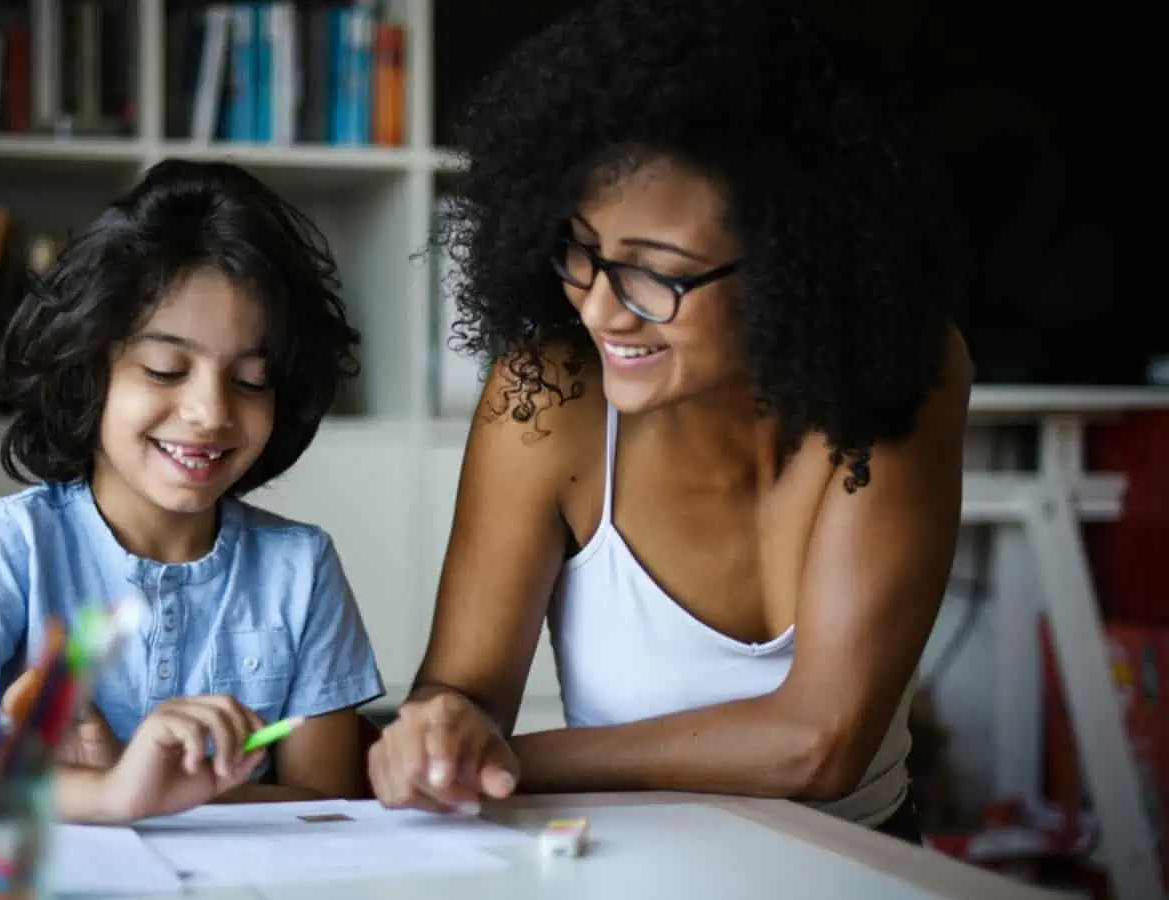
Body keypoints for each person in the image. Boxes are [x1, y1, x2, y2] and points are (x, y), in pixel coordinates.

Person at [367, 0, 971, 843]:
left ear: (793, 263)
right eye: (581, 252)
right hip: (623, 868)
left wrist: (511, 758)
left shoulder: (905, 372)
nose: (603, 311)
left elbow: (819, 746)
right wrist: (440, 732)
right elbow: (458, 694)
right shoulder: (545, 399)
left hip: (861, 870)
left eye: (656, 275)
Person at [0, 159, 384, 824]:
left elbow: (330, 809)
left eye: (250, 380)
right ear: (89, 371)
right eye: (165, 369)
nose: (209, 411)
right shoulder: (19, 543)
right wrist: (106, 795)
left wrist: (146, 789)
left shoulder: (301, 569)